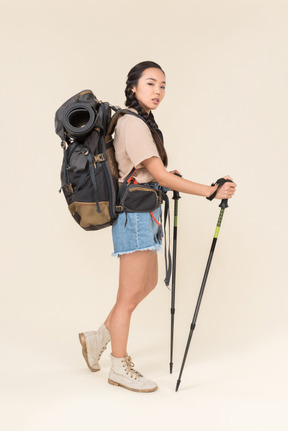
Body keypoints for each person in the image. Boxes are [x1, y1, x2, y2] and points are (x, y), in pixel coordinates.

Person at [78, 61, 236, 393]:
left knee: (146, 284)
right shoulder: (133, 124)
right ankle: (118, 366)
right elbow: (160, 175)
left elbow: (151, 174)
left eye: (163, 86)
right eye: (151, 84)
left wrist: (161, 179)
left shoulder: (141, 122)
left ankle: (97, 340)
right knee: (127, 298)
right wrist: (210, 191)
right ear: (133, 87)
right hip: (133, 217)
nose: (158, 91)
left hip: (145, 212)